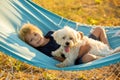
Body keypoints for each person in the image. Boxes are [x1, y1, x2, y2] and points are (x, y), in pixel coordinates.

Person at [18, 23, 110, 64]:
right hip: (77, 56)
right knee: (89, 58)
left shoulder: (51, 34)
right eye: (31, 40)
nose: (36, 38)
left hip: (80, 42)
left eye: (35, 34)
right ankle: (106, 58)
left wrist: (80, 36)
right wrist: (82, 51)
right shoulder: (44, 51)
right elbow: (62, 60)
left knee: (99, 29)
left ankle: (108, 49)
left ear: (39, 31)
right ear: (30, 45)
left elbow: (68, 35)